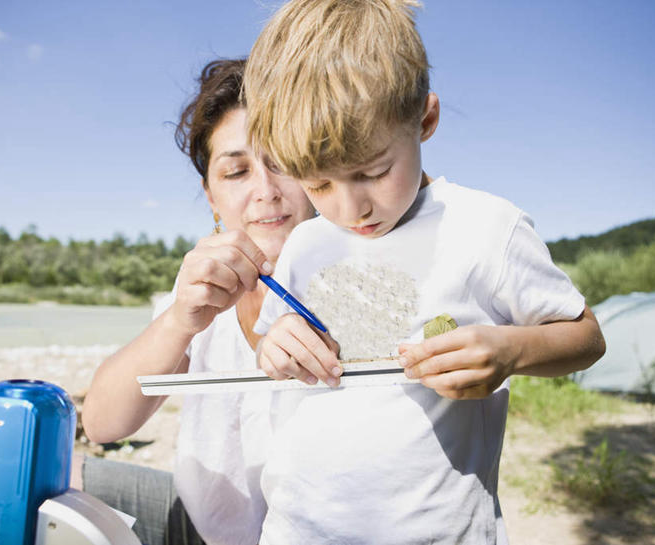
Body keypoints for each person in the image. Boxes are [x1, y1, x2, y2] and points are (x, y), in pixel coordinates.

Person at [243, 1, 607, 543]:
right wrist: (275, 347)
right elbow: (271, 347)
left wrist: (510, 352)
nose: (350, 209)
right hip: (298, 529)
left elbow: (586, 338)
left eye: (373, 172)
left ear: (426, 119)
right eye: (318, 185)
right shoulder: (304, 242)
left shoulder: (486, 227)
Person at [80, 58, 315, 545]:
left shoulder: (358, 279)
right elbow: (102, 424)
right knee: (60, 481)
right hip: (203, 524)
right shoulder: (199, 292)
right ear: (210, 196)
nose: (265, 191)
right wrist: (180, 320)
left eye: (283, 162)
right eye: (236, 172)